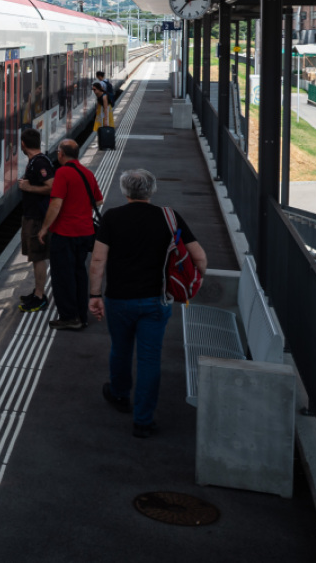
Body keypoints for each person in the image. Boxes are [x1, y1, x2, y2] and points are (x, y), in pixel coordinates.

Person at [89, 168, 207, 437]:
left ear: (125, 191)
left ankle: (119, 395)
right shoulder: (169, 217)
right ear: (151, 190)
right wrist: (192, 281)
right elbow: (199, 257)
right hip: (156, 300)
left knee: (120, 349)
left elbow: (98, 260)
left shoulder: (112, 217)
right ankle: (143, 420)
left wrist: (95, 295)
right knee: (149, 359)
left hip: (119, 300)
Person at [38, 138, 102, 330]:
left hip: (65, 234)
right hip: (85, 233)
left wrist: (44, 228)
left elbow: (56, 204)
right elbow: (98, 201)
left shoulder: (63, 173)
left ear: (61, 154)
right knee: (78, 273)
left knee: (63, 276)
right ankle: (81, 315)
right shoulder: (87, 173)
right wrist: (80, 207)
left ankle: (69, 317)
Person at [16, 127, 56, 313]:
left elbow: (51, 187)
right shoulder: (36, 161)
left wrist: (28, 187)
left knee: (38, 257)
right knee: (34, 257)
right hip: (32, 215)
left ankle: (40, 297)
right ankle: (37, 292)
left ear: (23, 144)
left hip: (37, 217)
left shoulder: (40, 162)